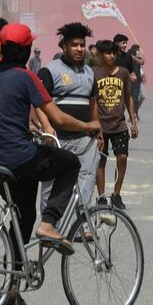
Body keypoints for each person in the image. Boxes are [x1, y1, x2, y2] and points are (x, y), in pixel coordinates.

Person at [0, 22, 97, 263]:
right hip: (20, 158)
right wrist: (89, 126)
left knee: (22, 217)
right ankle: (50, 222)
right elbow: (59, 117)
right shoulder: (26, 77)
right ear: (27, 50)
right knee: (71, 163)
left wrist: (32, 126)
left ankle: (13, 285)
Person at [38, 22, 101, 212]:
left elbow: (93, 102)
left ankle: (82, 220)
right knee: (51, 184)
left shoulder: (90, 73)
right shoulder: (49, 70)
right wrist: (47, 128)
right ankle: (49, 228)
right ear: (63, 46)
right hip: (57, 139)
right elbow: (39, 103)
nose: (79, 49)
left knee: (88, 175)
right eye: (74, 45)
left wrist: (97, 128)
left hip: (84, 139)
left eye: (82, 45)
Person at [93, 39, 138, 209]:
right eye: (107, 53)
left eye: (113, 53)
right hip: (101, 126)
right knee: (101, 161)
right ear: (100, 55)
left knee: (122, 158)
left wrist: (133, 121)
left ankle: (117, 193)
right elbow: (93, 102)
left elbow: (128, 98)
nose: (111, 56)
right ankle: (101, 196)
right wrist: (95, 126)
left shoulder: (124, 73)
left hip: (119, 124)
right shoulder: (94, 73)